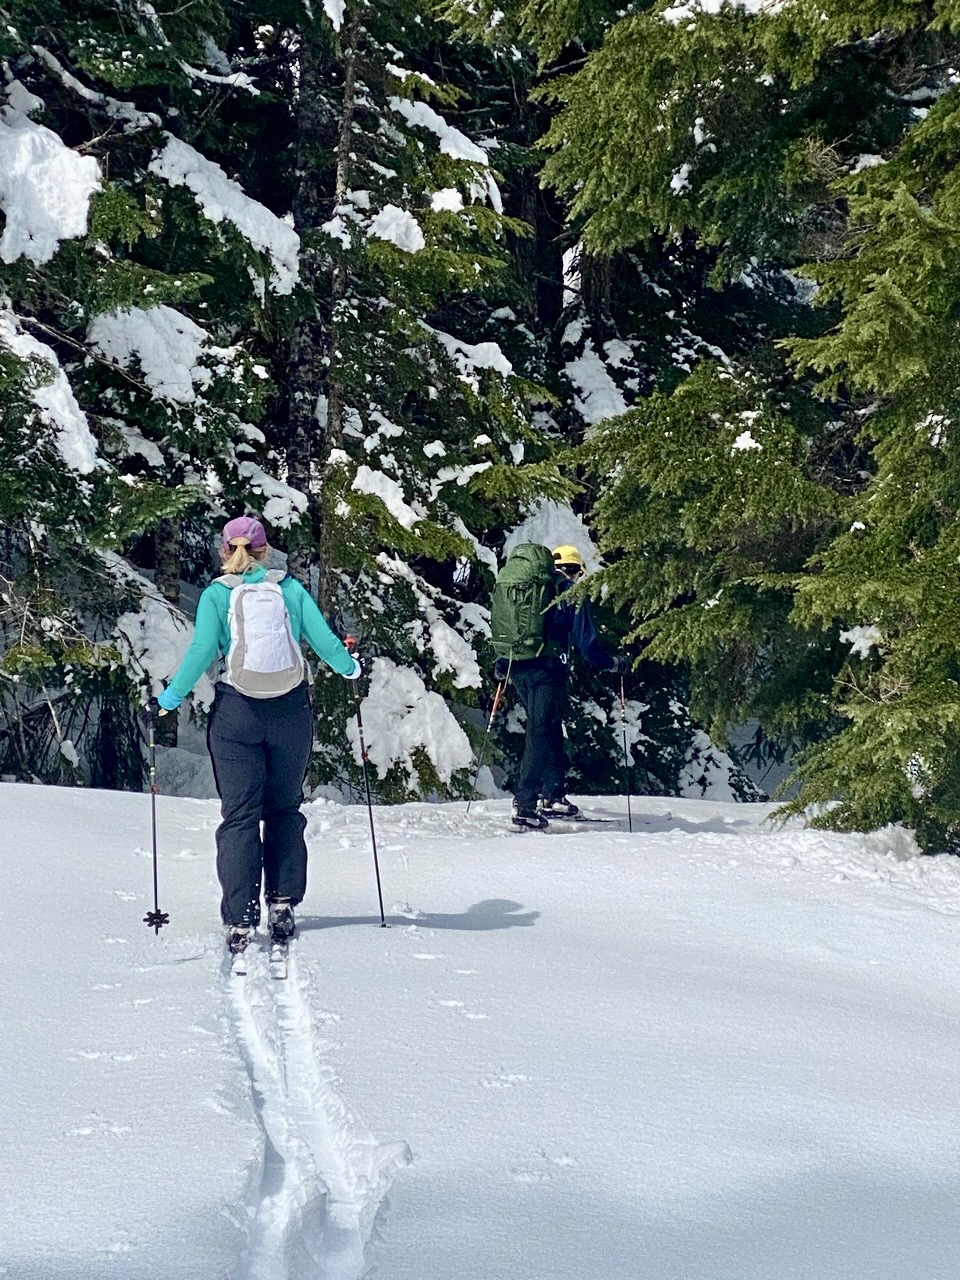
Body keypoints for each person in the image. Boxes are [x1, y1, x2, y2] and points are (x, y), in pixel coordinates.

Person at [150, 515, 361, 957]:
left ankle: (240, 918)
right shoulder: (290, 589)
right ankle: (281, 904)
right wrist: (349, 668)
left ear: (225, 551)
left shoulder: (216, 595)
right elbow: (324, 642)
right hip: (290, 713)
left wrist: (168, 700)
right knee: (283, 808)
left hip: (236, 714)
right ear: (266, 552)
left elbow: (202, 651)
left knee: (240, 816)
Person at [495, 543, 628, 830]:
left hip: (517, 667)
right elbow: (587, 643)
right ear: (576, 570)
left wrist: (503, 663)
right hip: (547, 671)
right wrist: (613, 663)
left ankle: (553, 796)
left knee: (549, 727)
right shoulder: (568, 592)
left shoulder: (528, 588)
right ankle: (525, 805)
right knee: (541, 732)